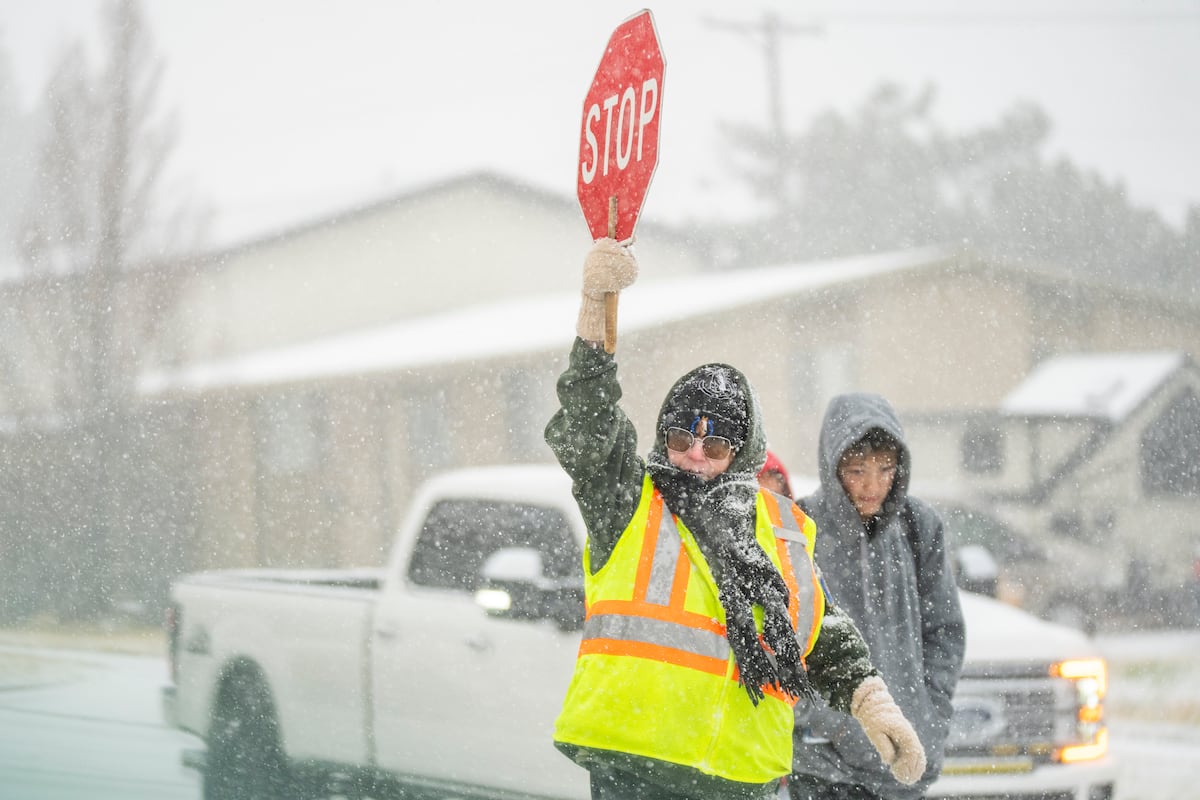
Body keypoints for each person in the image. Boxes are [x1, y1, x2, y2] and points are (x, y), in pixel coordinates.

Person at [545, 238, 927, 800]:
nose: (695, 456)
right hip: (638, 768)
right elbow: (588, 425)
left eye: (717, 444)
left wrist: (872, 702)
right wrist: (594, 310)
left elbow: (818, 630)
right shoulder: (628, 500)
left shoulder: (782, 526)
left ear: (743, 453)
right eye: (681, 438)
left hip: (742, 777)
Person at [789, 393, 966, 800]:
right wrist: (824, 721)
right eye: (857, 470)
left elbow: (944, 633)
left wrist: (929, 718)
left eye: (886, 469)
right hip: (821, 768)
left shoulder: (919, 527)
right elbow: (782, 642)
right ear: (833, 466)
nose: (872, 486)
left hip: (903, 766)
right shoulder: (799, 526)